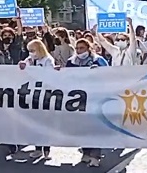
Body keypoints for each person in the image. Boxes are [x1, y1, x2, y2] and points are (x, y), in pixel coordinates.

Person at [64, 38, 108, 167]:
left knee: (95, 128)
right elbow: (66, 77)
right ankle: (86, 151)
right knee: (82, 127)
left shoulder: (98, 60)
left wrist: (99, 72)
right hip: (79, 100)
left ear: (88, 49)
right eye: (77, 48)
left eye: (82, 48)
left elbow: (110, 75)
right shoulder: (71, 62)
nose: (79, 51)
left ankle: (95, 155)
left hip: (95, 99)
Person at [19, 39, 55, 159]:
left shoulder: (48, 60)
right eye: (29, 51)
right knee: (35, 123)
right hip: (33, 95)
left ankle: (47, 150)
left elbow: (50, 76)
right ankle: (38, 148)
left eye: (33, 50)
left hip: (45, 95)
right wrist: (22, 65)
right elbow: (22, 69)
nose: (31, 53)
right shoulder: (30, 60)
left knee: (45, 124)